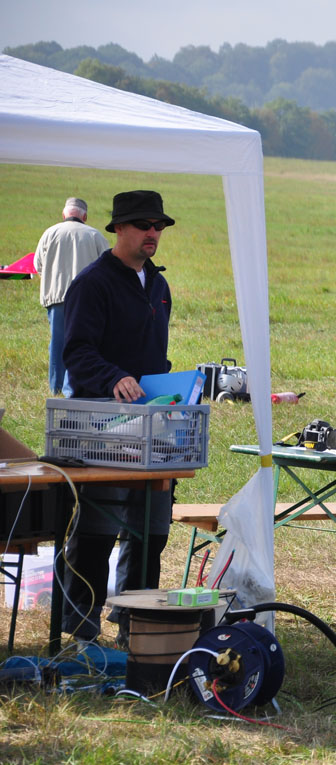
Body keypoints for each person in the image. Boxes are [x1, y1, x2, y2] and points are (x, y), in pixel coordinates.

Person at [61, 190, 177, 646]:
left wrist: (174, 388)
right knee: (98, 530)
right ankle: (80, 630)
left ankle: (136, 624)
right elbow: (76, 353)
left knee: (151, 530)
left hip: (153, 427)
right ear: (119, 229)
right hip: (101, 425)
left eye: (159, 226)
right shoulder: (92, 283)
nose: (153, 232)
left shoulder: (159, 286)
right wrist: (114, 378)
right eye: (144, 225)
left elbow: (154, 356)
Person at [33, 197, 109, 396]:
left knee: (58, 344)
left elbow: (37, 265)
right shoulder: (95, 235)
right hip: (87, 300)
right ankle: (79, 388)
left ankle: (56, 388)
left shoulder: (49, 233)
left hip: (57, 297)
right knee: (86, 344)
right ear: (85, 216)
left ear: (64, 214)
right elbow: (108, 267)